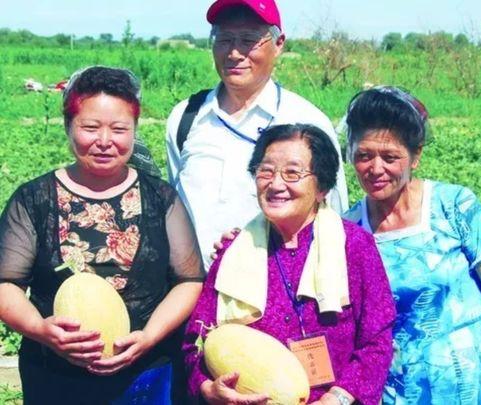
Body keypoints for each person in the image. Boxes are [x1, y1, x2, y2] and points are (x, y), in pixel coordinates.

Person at [0, 66, 205, 404]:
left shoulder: (161, 198)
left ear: (134, 131)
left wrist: (149, 336)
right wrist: (41, 330)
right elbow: (6, 283)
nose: (105, 141)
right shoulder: (34, 199)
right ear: (68, 127)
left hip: (146, 374)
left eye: (119, 129)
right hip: (56, 378)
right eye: (90, 127)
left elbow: (189, 279)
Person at [182, 123, 395, 405]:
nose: (276, 184)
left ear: (322, 187)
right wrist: (208, 388)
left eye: (292, 173)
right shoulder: (233, 251)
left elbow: (377, 341)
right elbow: (195, 340)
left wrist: (337, 398)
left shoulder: (355, 247)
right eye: (266, 171)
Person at [342, 86, 481, 404]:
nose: (376, 169)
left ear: (416, 156)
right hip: (400, 393)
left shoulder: (453, 205)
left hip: (477, 386)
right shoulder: (349, 231)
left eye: (390, 157)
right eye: (364, 156)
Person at [166, 0, 349, 268]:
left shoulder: (307, 121)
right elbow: (174, 207)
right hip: (195, 286)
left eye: (248, 40)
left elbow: (334, 216)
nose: (234, 53)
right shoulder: (186, 118)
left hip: (278, 287)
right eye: (224, 39)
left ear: (279, 44)